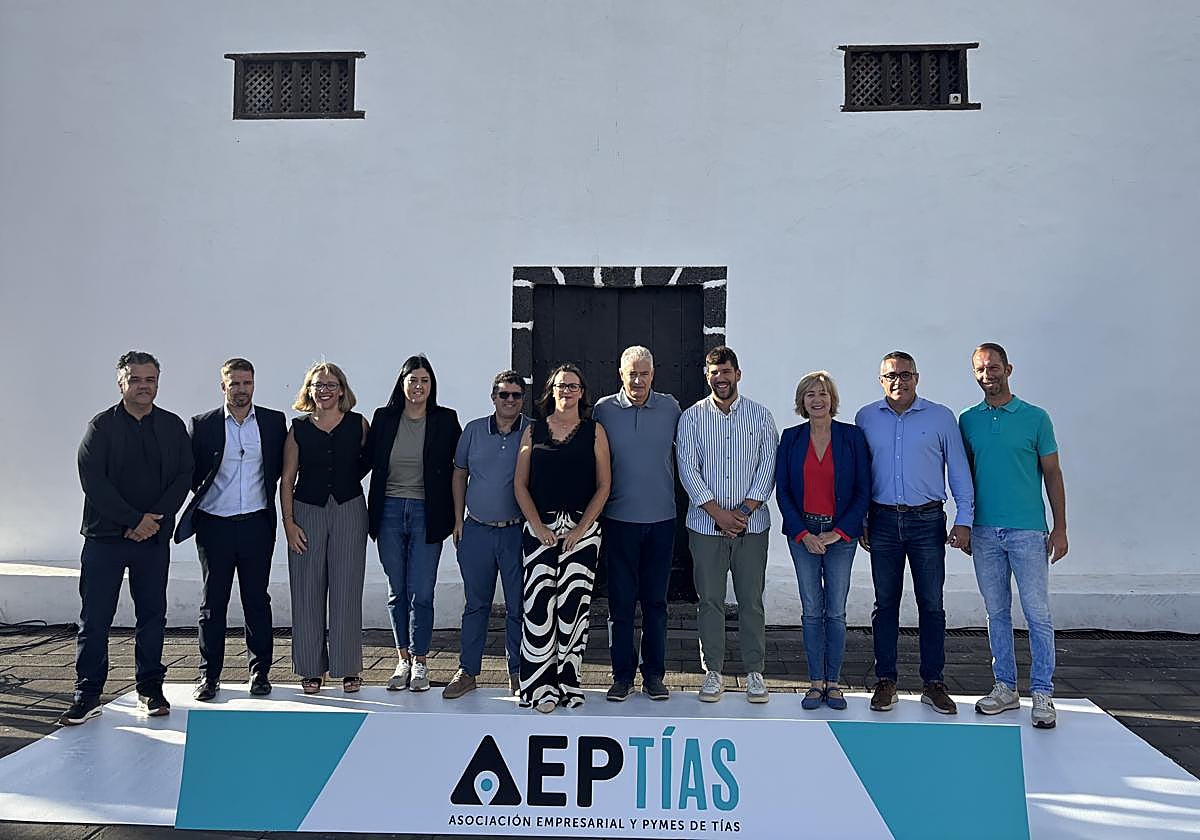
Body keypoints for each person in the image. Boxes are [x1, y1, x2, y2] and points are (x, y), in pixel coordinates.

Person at [60, 351, 193, 726]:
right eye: (135, 379)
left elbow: (183, 476)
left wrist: (151, 522)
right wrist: (133, 519)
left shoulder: (171, 426)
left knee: (152, 616)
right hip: (106, 539)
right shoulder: (101, 427)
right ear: (122, 383)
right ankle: (87, 695)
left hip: (152, 540)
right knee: (96, 618)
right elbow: (93, 482)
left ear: (157, 383)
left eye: (150, 379)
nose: (143, 386)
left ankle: (150, 689)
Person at [855, 350, 974, 715]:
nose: (898, 381)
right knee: (885, 604)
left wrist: (964, 518)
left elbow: (958, 470)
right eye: (891, 375)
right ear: (881, 380)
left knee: (931, 604)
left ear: (917, 378)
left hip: (927, 522)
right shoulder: (865, 418)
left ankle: (933, 682)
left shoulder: (940, 418)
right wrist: (860, 519)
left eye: (905, 375)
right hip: (883, 521)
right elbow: (859, 475)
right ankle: (885, 680)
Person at [960, 343, 1068, 729]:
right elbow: (965, 478)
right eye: (980, 369)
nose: (987, 374)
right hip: (985, 532)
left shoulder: (1036, 418)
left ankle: (1043, 692)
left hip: (1027, 530)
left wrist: (1060, 527)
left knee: (1037, 613)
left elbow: (1052, 473)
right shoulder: (968, 421)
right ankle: (1005, 687)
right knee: (996, 613)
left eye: (993, 367)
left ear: (1008, 368)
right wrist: (966, 523)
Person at [174, 357, 286, 701]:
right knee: (213, 604)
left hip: (256, 524)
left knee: (257, 601)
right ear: (223, 386)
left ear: (254, 384)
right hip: (214, 526)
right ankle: (209, 677)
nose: (241, 389)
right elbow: (193, 474)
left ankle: (260, 672)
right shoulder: (203, 424)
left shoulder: (272, 422)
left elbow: (279, 468)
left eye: (247, 383)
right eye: (234, 383)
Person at [676, 346, 778, 704]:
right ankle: (713, 671)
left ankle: (755, 672)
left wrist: (744, 511)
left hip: (753, 525)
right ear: (707, 376)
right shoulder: (691, 418)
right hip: (705, 527)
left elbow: (769, 466)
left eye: (726, 371)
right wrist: (719, 514)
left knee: (751, 600)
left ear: (738, 373)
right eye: (714, 372)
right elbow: (688, 469)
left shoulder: (761, 416)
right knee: (710, 601)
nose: (720, 378)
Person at [513, 363, 611, 713]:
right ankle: (538, 687)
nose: (566, 391)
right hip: (539, 529)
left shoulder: (594, 431)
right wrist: (538, 525)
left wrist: (581, 529)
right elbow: (519, 485)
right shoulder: (533, 431)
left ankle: (569, 684)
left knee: (573, 610)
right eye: (560, 385)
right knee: (539, 608)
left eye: (573, 386)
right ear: (551, 391)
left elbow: (604, 486)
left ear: (582, 392)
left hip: (582, 534)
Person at [775, 371, 870, 711]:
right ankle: (815, 683)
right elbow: (783, 491)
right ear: (802, 402)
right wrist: (802, 533)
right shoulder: (790, 438)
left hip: (840, 536)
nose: (817, 400)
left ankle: (835, 682)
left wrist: (839, 532)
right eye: (810, 394)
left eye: (823, 394)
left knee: (836, 612)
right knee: (812, 610)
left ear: (832, 399)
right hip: (803, 535)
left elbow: (863, 489)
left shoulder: (851, 437)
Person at [365, 355, 461, 692]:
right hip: (388, 510)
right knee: (397, 591)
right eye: (412, 380)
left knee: (421, 590)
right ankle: (402, 659)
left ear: (431, 385)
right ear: (402, 383)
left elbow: (460, 469)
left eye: (424, 380)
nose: (418, 386)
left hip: (427, 513)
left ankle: (421, 660)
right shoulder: (384, 418)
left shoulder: (446, 420)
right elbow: (361, 462)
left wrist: (461, 514)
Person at [593, 345, 681, 702]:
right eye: (632, 373)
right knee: (621, 603)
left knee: (656, 603)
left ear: (654, 373)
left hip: (662, 520)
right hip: (619, 521)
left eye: (645, 373)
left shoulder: (671, 408)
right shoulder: (603, 410)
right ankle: (621, 676)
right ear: (621, 374)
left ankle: (655, 676)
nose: (638, 380)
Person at [280, 361, 369, 694]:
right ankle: (309, 668)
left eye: (331, 385)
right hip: (307, 511)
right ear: (309, 390)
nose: (325, 390)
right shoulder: (298, 429)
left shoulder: (359, 424)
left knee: (347, 588)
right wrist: (288, 524)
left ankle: (348, 667)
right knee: (307, 589)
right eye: (319, 385)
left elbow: (367, 461)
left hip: (349, 509)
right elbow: (287, 478)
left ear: (342, 389)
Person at [442, 371, 531, 699]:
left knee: (517, 606)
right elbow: (459, 474)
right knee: (475, 605)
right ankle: (467, 671)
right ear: (493, 397)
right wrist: (457, 519)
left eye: (516, 395)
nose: (510, 400)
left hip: (515, 533)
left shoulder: (532, 431)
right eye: (504, 394)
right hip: (476, 530)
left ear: (523, 399)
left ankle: (518, 671)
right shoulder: (473, 431)